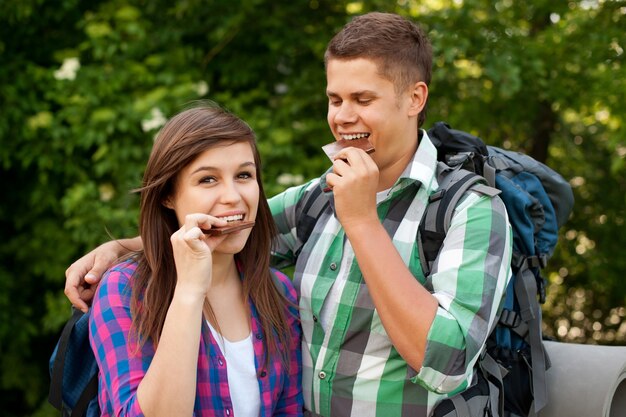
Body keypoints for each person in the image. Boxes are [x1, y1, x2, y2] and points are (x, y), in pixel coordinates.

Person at [66, 12, 512, 417]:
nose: (343, 117)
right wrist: (121, 247)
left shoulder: (470, 210)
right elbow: (230, 231)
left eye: (362, 98)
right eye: (335, 99)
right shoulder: (319, 197)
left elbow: (446, 364)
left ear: (415, 98)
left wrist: (361, 222)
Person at [86, 103, 303, 417]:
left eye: (244, 175)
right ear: (168, 195)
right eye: (208, 180)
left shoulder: (279, 293)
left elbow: (289, 410)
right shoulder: (125, 289)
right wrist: (189, 290)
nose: (232, 196)